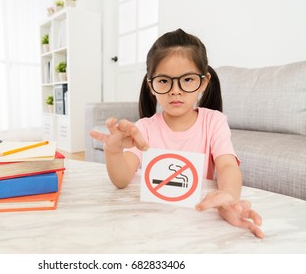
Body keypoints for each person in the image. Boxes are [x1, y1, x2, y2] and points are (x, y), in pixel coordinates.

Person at [90, 28, 264, 238]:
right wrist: (113, 151)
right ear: (151, 86)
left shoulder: (214, 122)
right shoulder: (145, 127)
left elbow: (227, 165)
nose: (175, 90)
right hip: (151, 221)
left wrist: (228, 196)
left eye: (187, 80)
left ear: (204, 82)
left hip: (196, 220)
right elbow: (121, 180)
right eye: (164, 81)